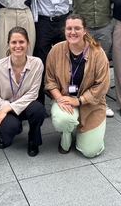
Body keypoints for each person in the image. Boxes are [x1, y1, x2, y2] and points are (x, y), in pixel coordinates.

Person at [32, 0, 119, 117]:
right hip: (44, 22)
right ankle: (41, 105)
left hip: (66, 20)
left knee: (72, 62)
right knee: (42, 62)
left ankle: (81, 100)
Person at [45, 14, 110, 158]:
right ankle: (66, 136)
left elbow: (102, 86)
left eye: (77, 28)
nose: (72, 32)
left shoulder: (98, 53)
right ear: (64, 31)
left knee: (90, 152)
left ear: (85, 30)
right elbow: (50, 81)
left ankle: (85, 128)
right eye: (69, 28)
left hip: (91, 103)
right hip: (64, 97)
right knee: (63, 119)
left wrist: (78, 101)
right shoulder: (56, 50)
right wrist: (60, 98)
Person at [0, 27, 45, 157]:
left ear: (28, 43)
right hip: (0, 106)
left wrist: (7, 109)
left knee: (38, 109)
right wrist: (4, 108)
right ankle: (5, 131)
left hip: (22, 106)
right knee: (10, 130)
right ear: (8, 44)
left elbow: (33, 94)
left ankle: (33, 140)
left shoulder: (37, 64)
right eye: (14, 42)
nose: (18, 46)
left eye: (21, 42)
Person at [33, 0, 77, 105]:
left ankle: (65, 99)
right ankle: (40, 103)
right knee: (41, 63)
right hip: (43, 21)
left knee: (67, 62)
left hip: (64, 21)